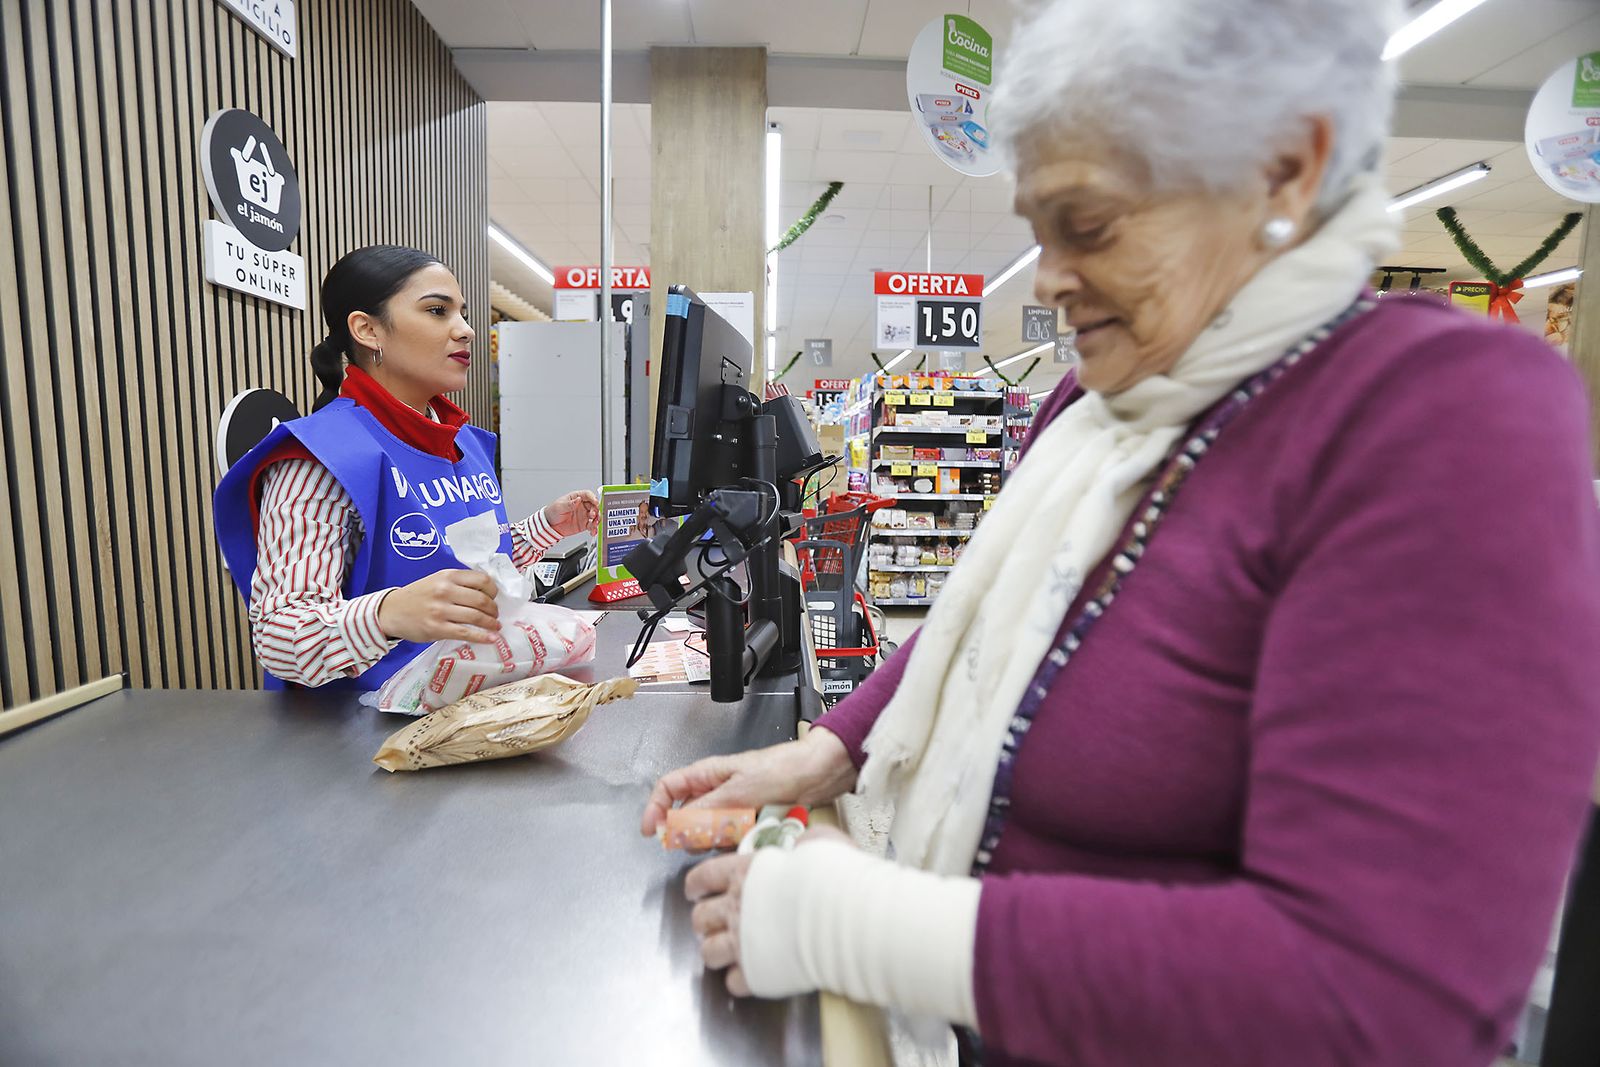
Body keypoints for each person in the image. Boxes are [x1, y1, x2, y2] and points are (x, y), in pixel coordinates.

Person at [640, 1, 1600, 1063]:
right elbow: (981, 631)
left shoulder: (1440, 418)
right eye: (1036, 231)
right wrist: (824, 751)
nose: (1046, 282)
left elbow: (1376, 995)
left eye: (1086, 225)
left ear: (1282, 170)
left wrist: (849, 921)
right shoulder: (1096, 406)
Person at [214, 245, 598, 690]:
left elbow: (471, 572)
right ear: (367, 330)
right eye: (437, 311)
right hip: (362, 739)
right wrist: (387, 614)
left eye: (463, 313)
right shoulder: (321, 459)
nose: (467, 331)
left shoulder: (465, 444)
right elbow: (280, 636)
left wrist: (545, 527)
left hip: (467, 711)